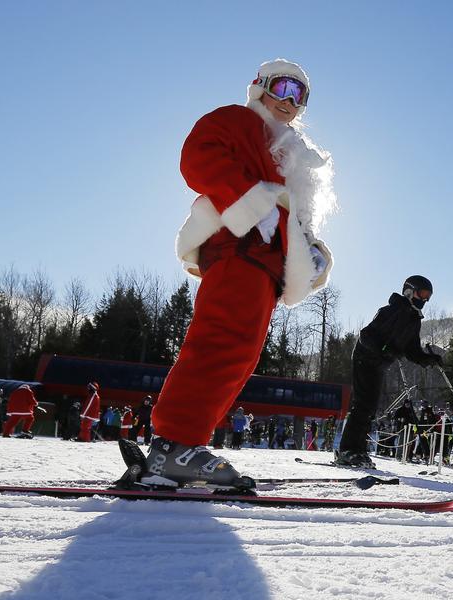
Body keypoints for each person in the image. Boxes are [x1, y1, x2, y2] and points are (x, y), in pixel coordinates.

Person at [141, 58, 335, 488]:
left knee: (240, 355)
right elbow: (198, 157)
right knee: (220, 341)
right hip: (239, 248)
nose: (288, 102)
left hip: (266, 265)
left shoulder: (290, 153)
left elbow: (295, 216)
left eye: (299, 95)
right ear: (260, 86)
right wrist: (253, 203)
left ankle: (183, 445)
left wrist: (309, 252)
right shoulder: (237, 121)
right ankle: (173, 444)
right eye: (283, 88)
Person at [335, 276, 443, 468]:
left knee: (370, 408)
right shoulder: (392, 310)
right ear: (409, 291)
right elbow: (366, 335)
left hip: (379, 364)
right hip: (365, 358)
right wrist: (384, 349)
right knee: (363, 405)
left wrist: (429, 359)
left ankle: (358, 450)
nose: (425, 300)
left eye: (428, 296)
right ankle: (347, 450)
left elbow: (412, 351)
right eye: (423, 294)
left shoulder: (414, 320)